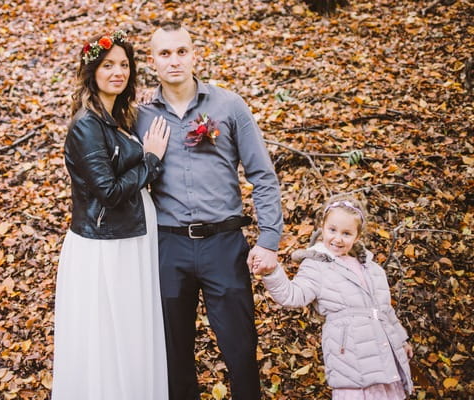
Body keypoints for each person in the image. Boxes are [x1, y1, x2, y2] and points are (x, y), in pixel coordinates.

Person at [135, 22, 284, 400]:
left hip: (224, 244)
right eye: (165, 53)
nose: (174, 60)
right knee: (173, 352)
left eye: (181, 51)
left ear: (194, 53)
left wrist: (269, 239)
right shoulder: (139, 116)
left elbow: (263, 175)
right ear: (153, 61)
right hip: (168, 247)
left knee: (239, 348)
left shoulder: (228, 105)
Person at [51, 30, 171, 400]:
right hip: (106, 247)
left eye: (124, 65)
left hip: (132, 239)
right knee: (108, 333)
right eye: (108, 65)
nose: (118, 71)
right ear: (92, 71)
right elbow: (109, 192)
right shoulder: (87, 126)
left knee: (133, 330)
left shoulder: (119, 117)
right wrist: (151, 160)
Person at [258, 195, 414, 399]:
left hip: (384, 355)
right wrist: (272, 272)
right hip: (350, 358)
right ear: (322, 227)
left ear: (357, 237)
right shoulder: (316, 265)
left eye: (347, 233)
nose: (338, 239)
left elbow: (386, 311)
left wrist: (401, 340)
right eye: (332, 230)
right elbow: (292, 296)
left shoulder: (373, 269)